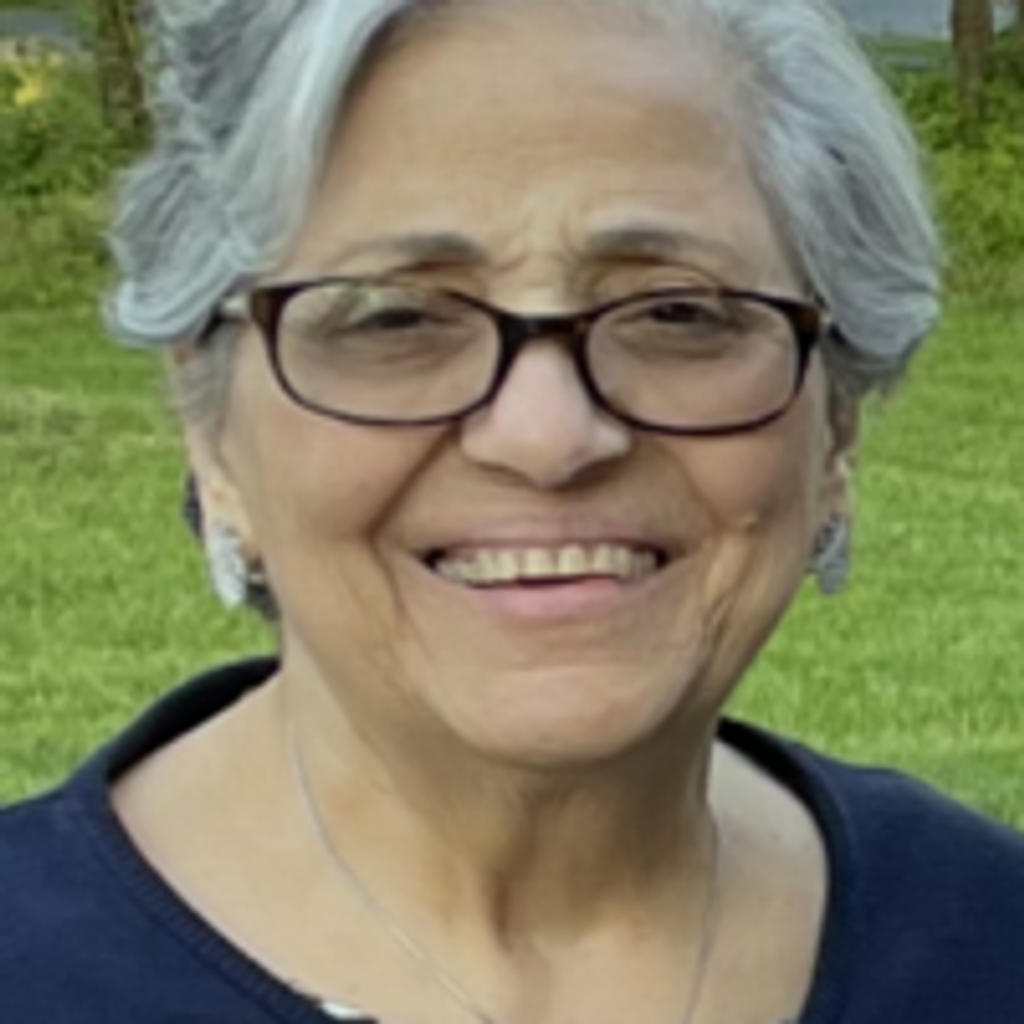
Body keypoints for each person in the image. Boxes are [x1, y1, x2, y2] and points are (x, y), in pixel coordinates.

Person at [3, 0, 1023, 1021]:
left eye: (677, 311)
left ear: (837, 419)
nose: (547, 437)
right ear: (213, 427)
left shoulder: (989, 937)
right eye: (395, 315)